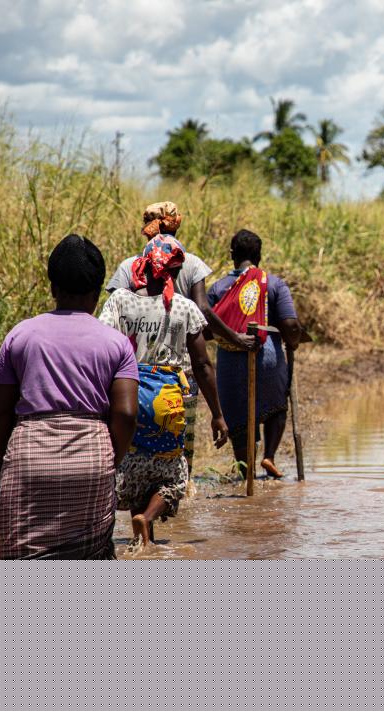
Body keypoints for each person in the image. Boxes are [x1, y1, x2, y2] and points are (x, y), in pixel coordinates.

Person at [0, 234, 139, 560]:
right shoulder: (117, 343)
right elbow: (126, 415)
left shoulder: (21, 334)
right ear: (98, 292)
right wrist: (112, 460)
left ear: (53, 287)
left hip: (29, 460)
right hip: (92, 458)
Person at [105, 201, 258, 475]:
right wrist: (234, 337)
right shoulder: (189, 262)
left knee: (133, 448)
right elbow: (202, 310)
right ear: (176, 223)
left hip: (131, 375)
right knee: (179, 447)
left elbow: (112, 320)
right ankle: (177, 495)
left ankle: (140, 500)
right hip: (179, 374)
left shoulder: (128, 267)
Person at [99, 233, 229, 546]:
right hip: (169, 399)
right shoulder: (184, 308)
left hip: (127, 393)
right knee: (173, 473)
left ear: (141, 266)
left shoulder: (121, 301)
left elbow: (100, 345)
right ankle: (147, 518)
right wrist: (218, 415)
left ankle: (134, 533)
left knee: (130, 462)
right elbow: (202, 365)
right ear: (174, 271)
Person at [207, 229, 301, 479]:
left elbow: (205, 328)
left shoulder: (218, 288)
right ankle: (269, 456)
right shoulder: (273, 284)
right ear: (259, 255)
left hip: (231, 366)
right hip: (268, 360)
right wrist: (293, 341)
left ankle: (245, 468)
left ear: (232, 254)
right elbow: (290, 325)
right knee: (276, 407)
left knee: (238, 415)